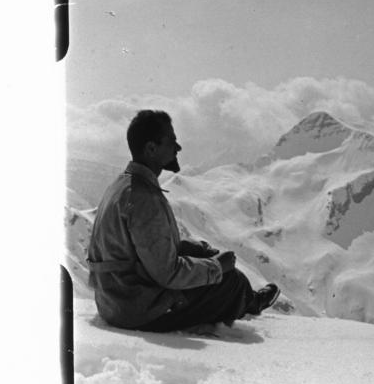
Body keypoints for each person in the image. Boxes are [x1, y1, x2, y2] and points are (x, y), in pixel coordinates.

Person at [86, 109, 279, 332]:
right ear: (151, 148)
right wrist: (216, 266)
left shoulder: (122, 185)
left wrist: (195, 250)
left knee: (209, 264)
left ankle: (246, 299)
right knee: (230, 280)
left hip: (115, 300)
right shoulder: (144, 198)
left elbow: (143, 250)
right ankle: (249, 303)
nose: (178, 148)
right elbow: (168, 273)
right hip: (138, 309)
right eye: (172, 141)